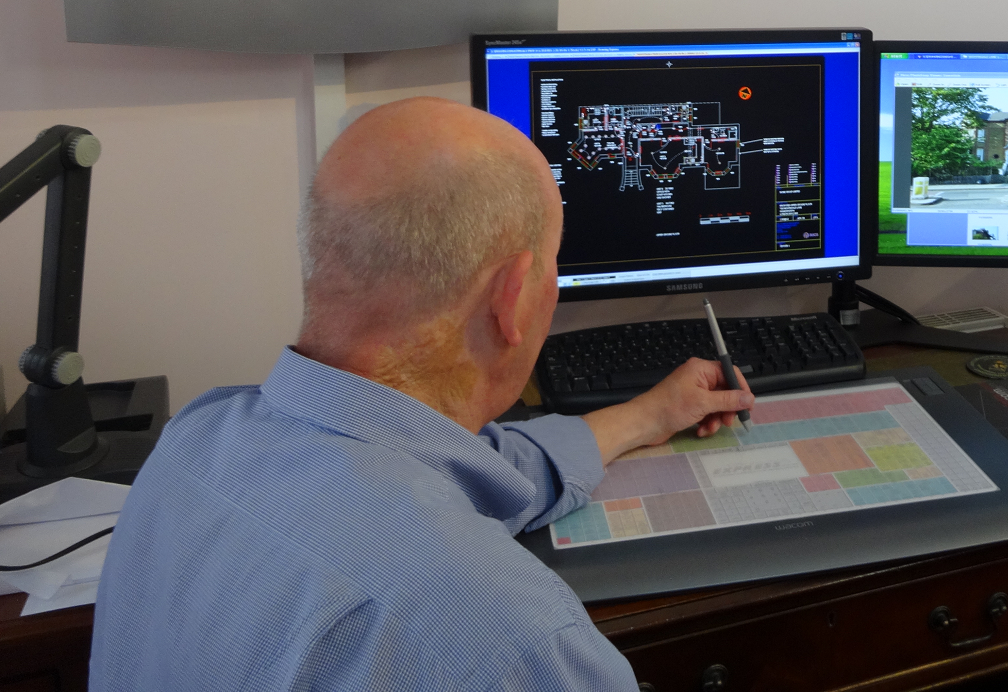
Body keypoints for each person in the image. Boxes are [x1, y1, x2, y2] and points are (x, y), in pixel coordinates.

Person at [90, 97, 753, 691]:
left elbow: (476, 468)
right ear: (513, 297)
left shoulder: (192, 441)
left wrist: (648, 415)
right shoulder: (512, 643)